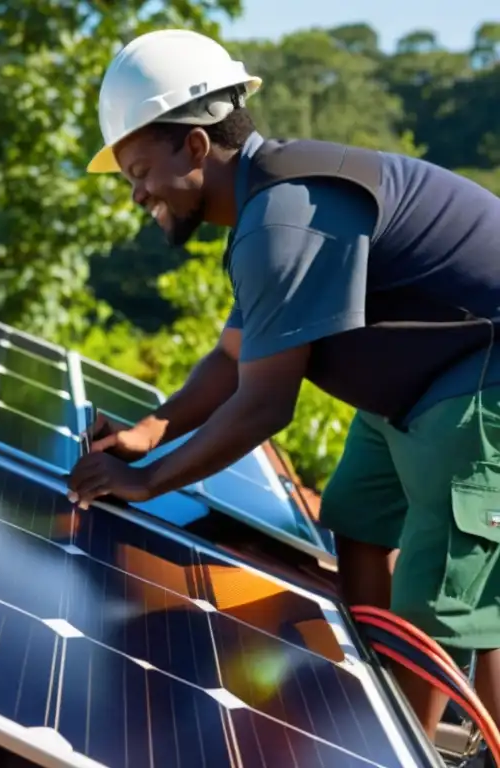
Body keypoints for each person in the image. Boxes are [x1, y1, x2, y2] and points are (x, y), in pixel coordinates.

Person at [67, 27, 500, 740]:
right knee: (357, 516)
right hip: (414, 390)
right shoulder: (270, 208)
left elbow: (265, 405)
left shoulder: (287, 213)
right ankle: (377, 710)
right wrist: (151, 430)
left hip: (479, 381)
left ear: (197, 146)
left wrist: (147, 483)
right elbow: (236, 358)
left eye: (140, 169)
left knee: (443, 595)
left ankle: (402, 749)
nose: (137, 192)